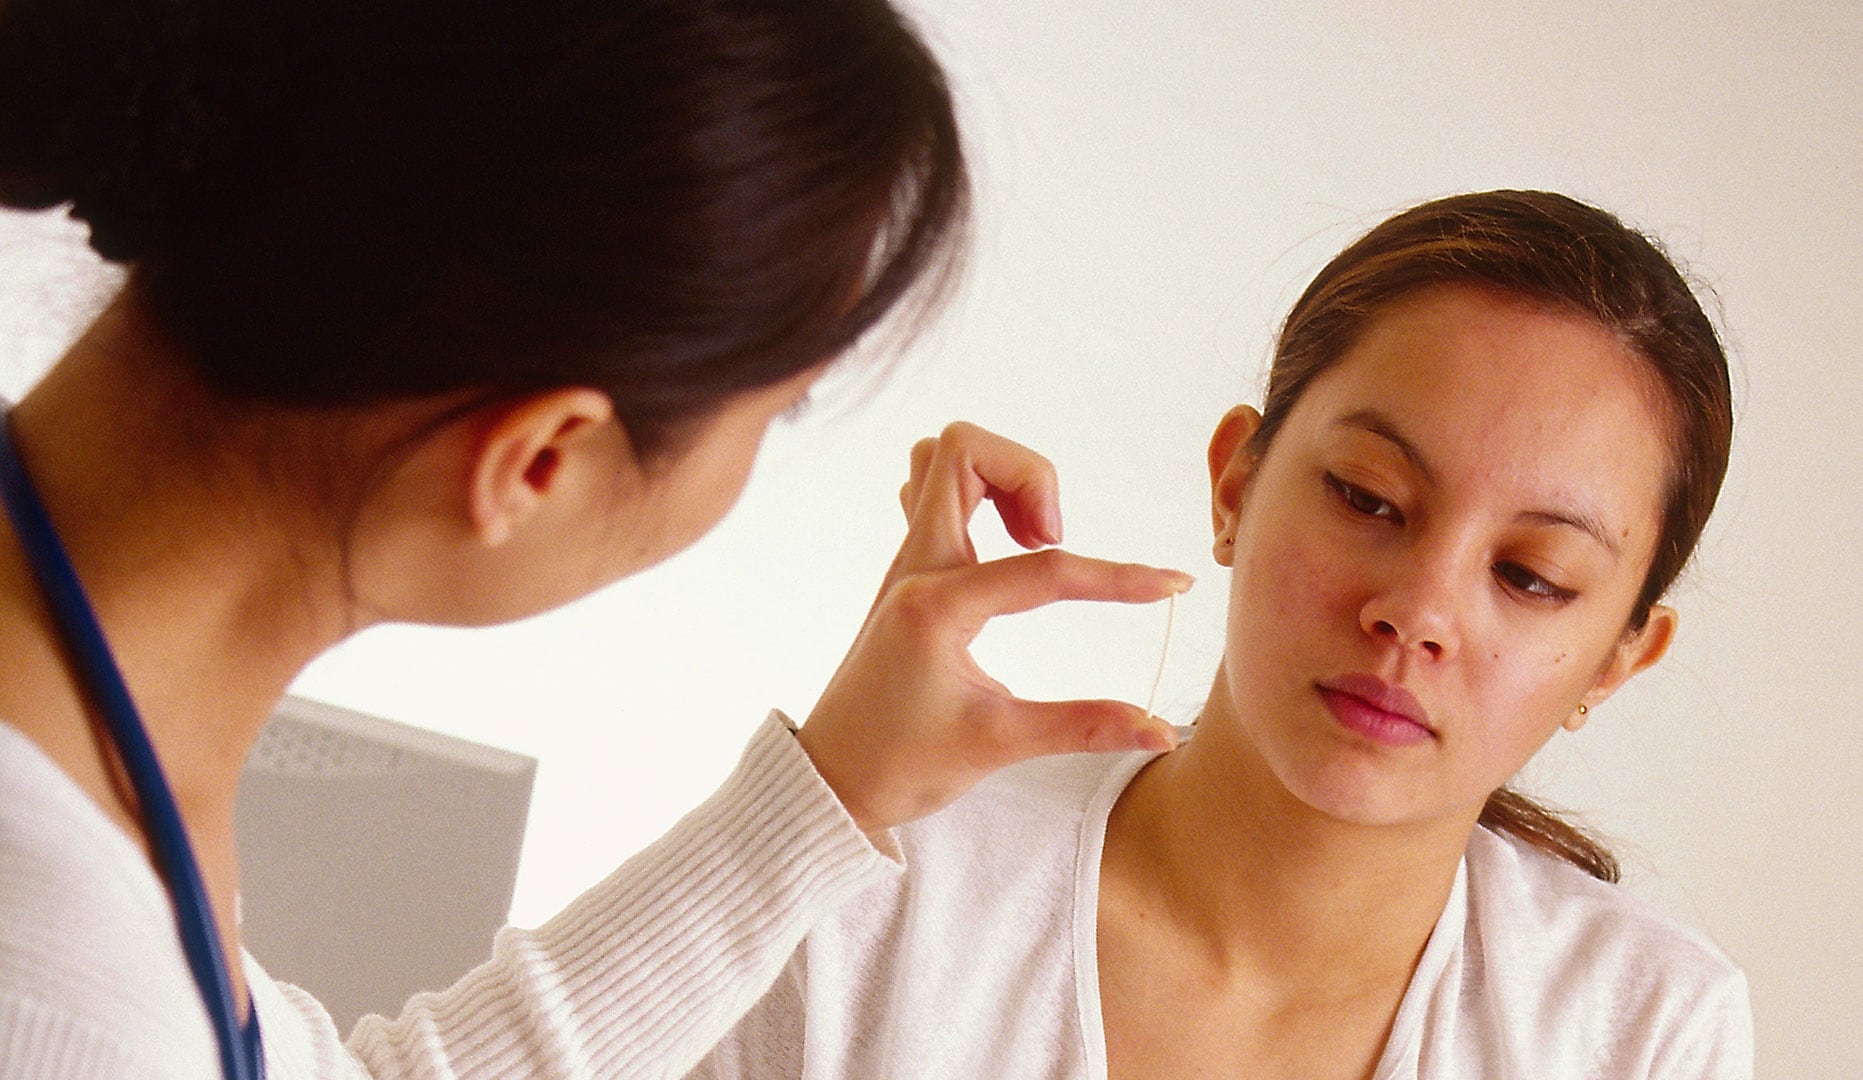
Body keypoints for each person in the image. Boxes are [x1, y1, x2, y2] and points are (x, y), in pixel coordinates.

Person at [0, 1, 1193, 1078]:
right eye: (780, 408)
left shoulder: (74, 771)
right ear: (540, 460)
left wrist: (832, 788)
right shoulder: (58, 985)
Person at [692, 190, 1756, 1080]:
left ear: (1619, 658)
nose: (1418, 612)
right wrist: (814, 802)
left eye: (1530, 576)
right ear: (1237, 484)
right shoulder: (883, 893)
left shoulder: (1645, 1030)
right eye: (1368, 498)